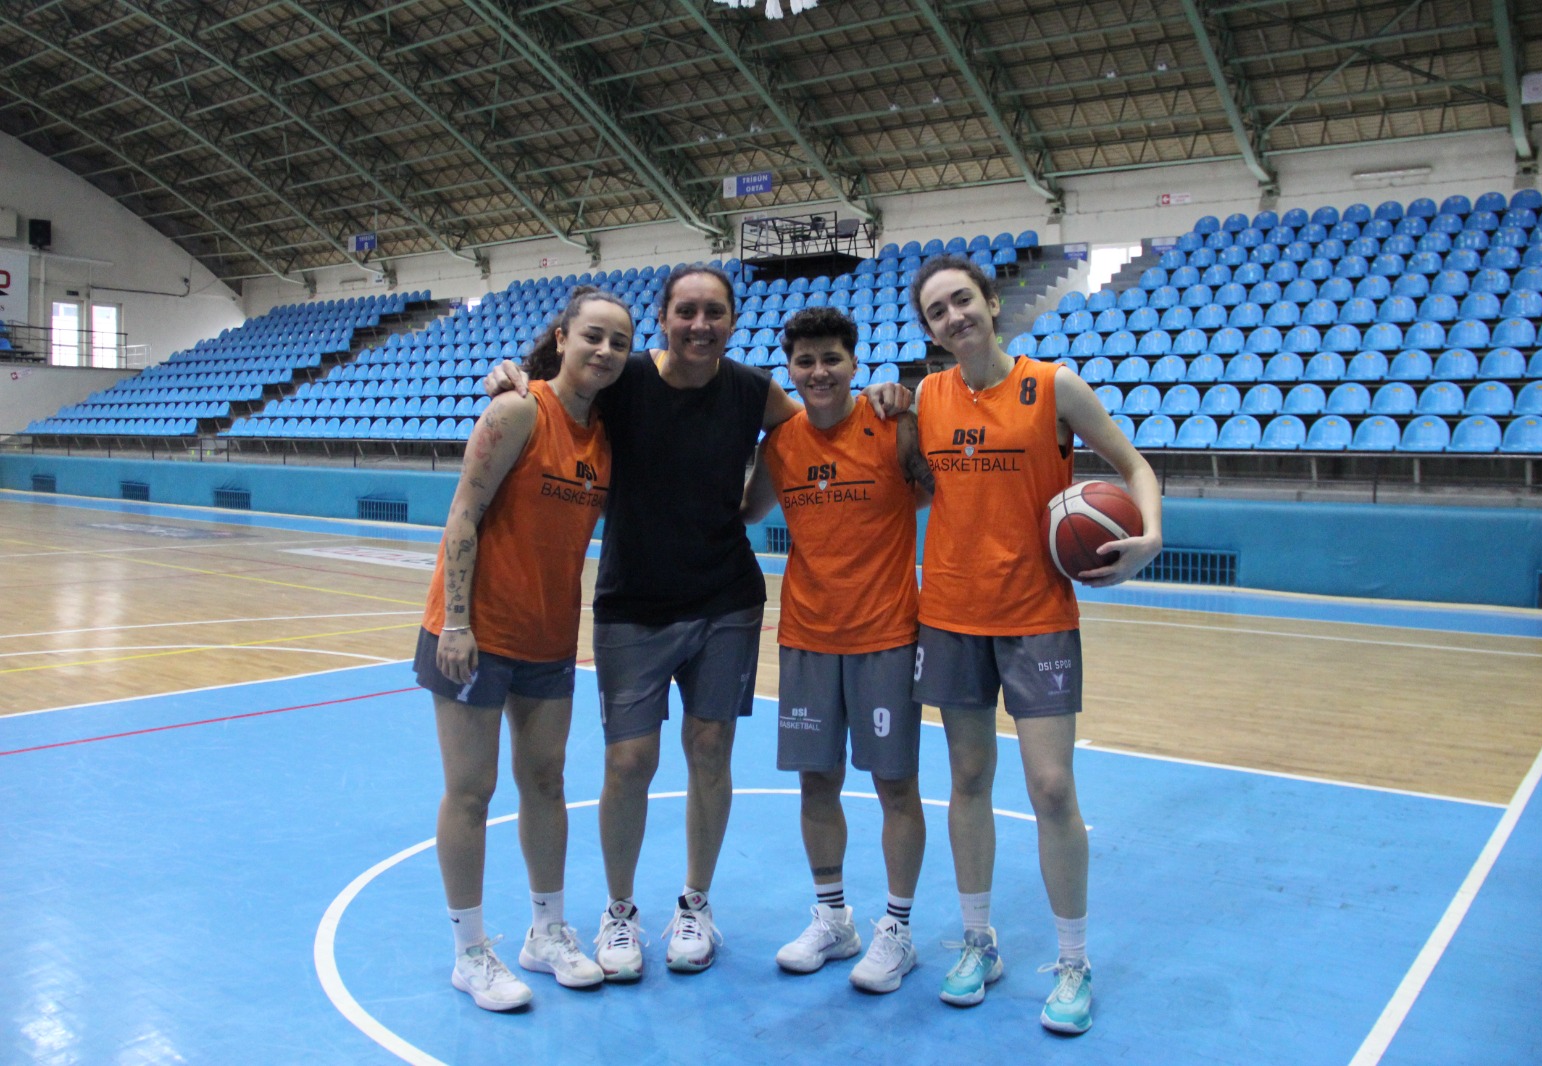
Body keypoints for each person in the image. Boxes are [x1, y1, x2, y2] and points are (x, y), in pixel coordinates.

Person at [482, 265, 911, 981]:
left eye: (714, 312)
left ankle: (695, 906)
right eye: (686, 311)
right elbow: (562, 386)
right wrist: (514, 377)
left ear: (733, 321)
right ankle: (620, 911)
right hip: (632, 603)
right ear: (663, 318)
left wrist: (885, 397)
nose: (700, 324)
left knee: (710, 751)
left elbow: (824, 416)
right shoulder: (624, 379)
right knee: (628, 762)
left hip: (725, 603)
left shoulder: (751, 390)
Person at [908, 255, 1162, 1034]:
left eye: (962, 300)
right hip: (951, 613)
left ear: (990, 303)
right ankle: (977, 941)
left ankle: (1074, 961)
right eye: (937, 311)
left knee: (1051, 788)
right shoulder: (925, 398)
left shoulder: (1053, 387)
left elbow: (1134, 465)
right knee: (968, 779)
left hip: (1037, 615)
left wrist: (1150, 537)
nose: (954, 316)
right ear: (930, 331)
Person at [413, 288, 632, 1011]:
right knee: (471, 792)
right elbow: (463, 515)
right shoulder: (517, 411)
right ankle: (470, 952)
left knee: (546, 782)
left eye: (619, 342)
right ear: (562, 337)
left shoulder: (605, 436)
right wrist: (456, 623)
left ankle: (546, 932)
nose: (605, 350)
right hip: (473, 633)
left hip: (548, 635)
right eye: (592, 336)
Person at [739, 306, 933, 993]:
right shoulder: (781, 444)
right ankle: (833, 919)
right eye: (806, 361)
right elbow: (746, 510)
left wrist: (911, 407)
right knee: (816, 782)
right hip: (806, 636)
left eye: (831, 359)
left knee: (895, 785)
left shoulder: (893, 425)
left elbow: (943, 490)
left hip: (887, 635)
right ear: (790, 370)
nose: (818, 372)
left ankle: (898, 929)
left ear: (854, 363)